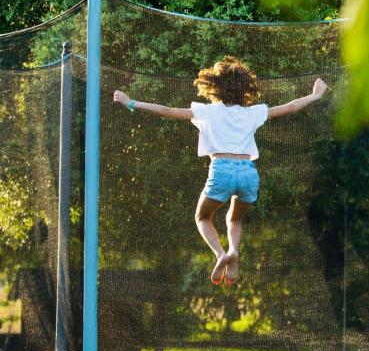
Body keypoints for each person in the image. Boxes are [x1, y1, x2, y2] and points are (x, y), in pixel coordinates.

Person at [113, 55, 328, 286]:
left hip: (221, 170)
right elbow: (290, 107)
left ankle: (220, 254)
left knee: (203, 217)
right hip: (248, 172)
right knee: (235, 219)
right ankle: (234, 250)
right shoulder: (252, 112)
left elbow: (166, 110)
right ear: (245, 89)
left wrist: (131, 102)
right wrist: (315, 95)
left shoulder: (207, 111)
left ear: (214, 87)